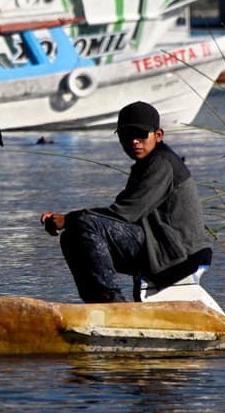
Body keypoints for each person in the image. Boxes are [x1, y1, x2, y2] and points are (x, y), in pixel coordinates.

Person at [40, 101, 212, 303]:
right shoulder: (147, 164)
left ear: (158, 135)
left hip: (178, 254)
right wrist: (72, 222)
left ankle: (112, 302)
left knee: (84, 224)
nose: (134, 141)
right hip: (161, 247)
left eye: (141, 135)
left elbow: (125, 213)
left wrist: (68, 219)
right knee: (71, 238)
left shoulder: (161, 163)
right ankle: (99, 302)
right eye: (127, 136)